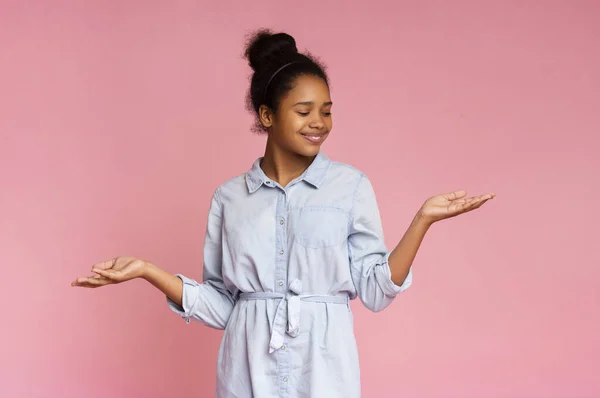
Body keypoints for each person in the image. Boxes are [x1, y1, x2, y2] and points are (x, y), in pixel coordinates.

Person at [72, 29, 495, 398]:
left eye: (327, 110)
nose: (319, 123)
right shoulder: (229, 198)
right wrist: (148, 270)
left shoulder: (350, 187)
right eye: (304, 111)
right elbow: (223, 307)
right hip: (245, 371)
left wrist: (421, 221)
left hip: (325, 370)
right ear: (267, 116)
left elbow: (375, 290)